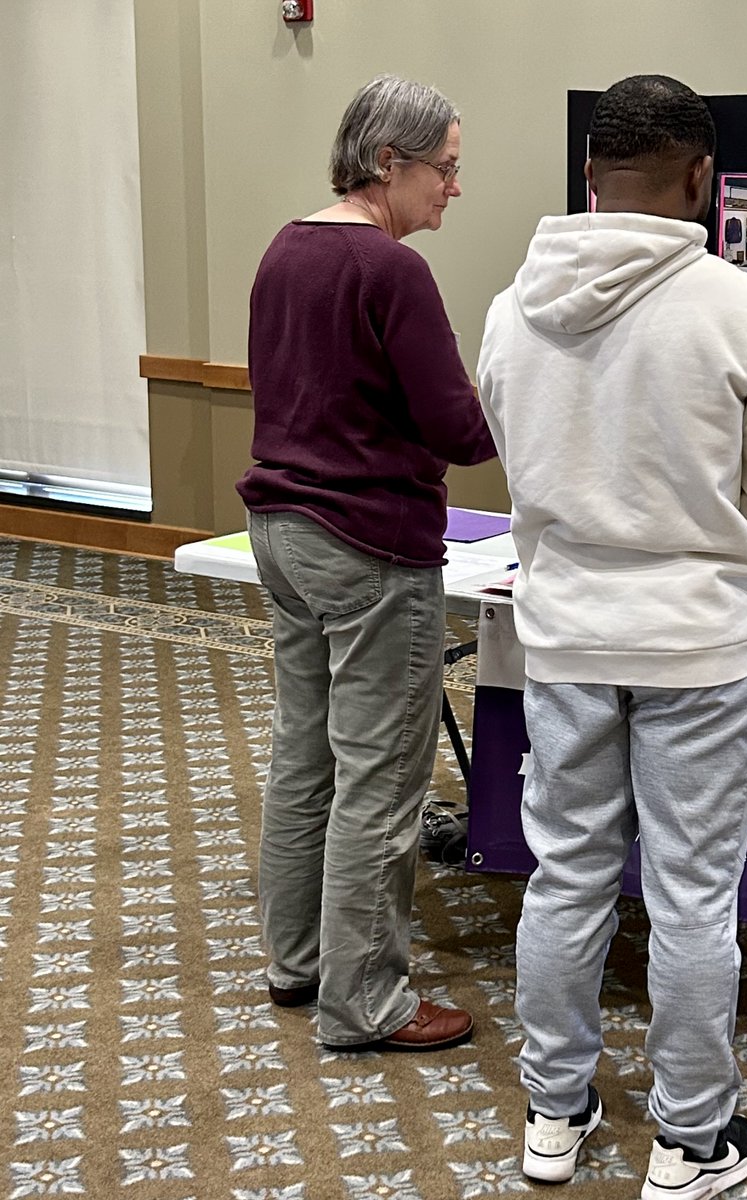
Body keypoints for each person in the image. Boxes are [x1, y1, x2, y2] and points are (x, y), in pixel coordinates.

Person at [477, 75, 747, 1199]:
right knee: (690, 894)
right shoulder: (733, 306)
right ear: (703, 180)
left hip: (564, 637)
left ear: (589, 175)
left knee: (565, 878)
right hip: (699, 651)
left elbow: (518, 462)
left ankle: (553, 1118)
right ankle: (692, 1138)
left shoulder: (510, 307)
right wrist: (724, 576)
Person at [236, 75, 495, 1052]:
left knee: (306, 759)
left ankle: (297, 964)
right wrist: (518, 389)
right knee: (383, 783)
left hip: (284, 536)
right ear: (392, 163)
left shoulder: (284, 251)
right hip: (370, 549)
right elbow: (459, 430)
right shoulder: (391, 271)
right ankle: (367, 1003)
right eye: (448, 168)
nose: (454, 189)